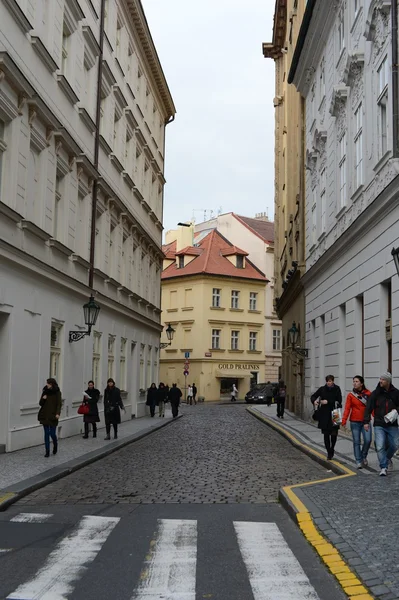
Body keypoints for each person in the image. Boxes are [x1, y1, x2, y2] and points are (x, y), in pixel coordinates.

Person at [364, 372, 399, 476]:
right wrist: (366, 421)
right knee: (379, 446)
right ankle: (383, 467)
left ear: (388, 381)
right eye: (380, 379)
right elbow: (368, 408)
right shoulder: (375, 393)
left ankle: (387, 458)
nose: (380, 381)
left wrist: (396, 411)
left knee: (395, 444)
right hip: (379, 423)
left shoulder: (396, 393)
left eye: (383, 379)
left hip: (392, 424)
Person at [342, 376, 372, 468]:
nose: (354, 383)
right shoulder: (351, 395)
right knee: (356, 442)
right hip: (354, 421)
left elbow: (371, 407)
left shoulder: (368, 393)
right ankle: (358, 460)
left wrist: (377, 417)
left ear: (361, 383)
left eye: (357, 381)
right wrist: (344, 420)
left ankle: (363, 456)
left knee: (368, 440)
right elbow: (347, 408)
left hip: (366, 421)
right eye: (353, 381)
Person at [311, 375, 342, 460]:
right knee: (326, 434)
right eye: (327, 381)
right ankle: (329, 452)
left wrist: (328, 401)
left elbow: (339, 401)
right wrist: (315, 401)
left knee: (334, 434)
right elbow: (313, 396)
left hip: (335, 413)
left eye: (330, 381)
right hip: (324, 413)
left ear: (333, 381)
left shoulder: (337, 389)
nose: (329, 382)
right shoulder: (322, 389)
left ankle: (332, 448)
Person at [38, 378, 62, 458]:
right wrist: (43, 398)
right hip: (44, 415)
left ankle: (55, 445)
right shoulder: (45, 392)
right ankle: (47, 451)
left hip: (53, 415)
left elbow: (59, 404)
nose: (47, 385)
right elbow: (40, 404)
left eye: (48, 383)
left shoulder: (57, 392)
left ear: (51, 384)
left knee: (52, 433)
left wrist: (58, 413)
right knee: (46, 434)